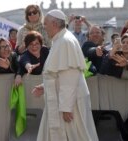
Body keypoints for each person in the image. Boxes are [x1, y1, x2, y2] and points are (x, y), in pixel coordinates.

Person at [32, 9, 98, 141]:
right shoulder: (60, 39)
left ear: (55, 24)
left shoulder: (65, 41)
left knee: (76, 136)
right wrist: (45, 86)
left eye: (45, 24)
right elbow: (58, 74)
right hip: (62, 100)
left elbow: (70, 77)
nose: (44, 28)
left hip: (69, 103)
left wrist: (66, 107)